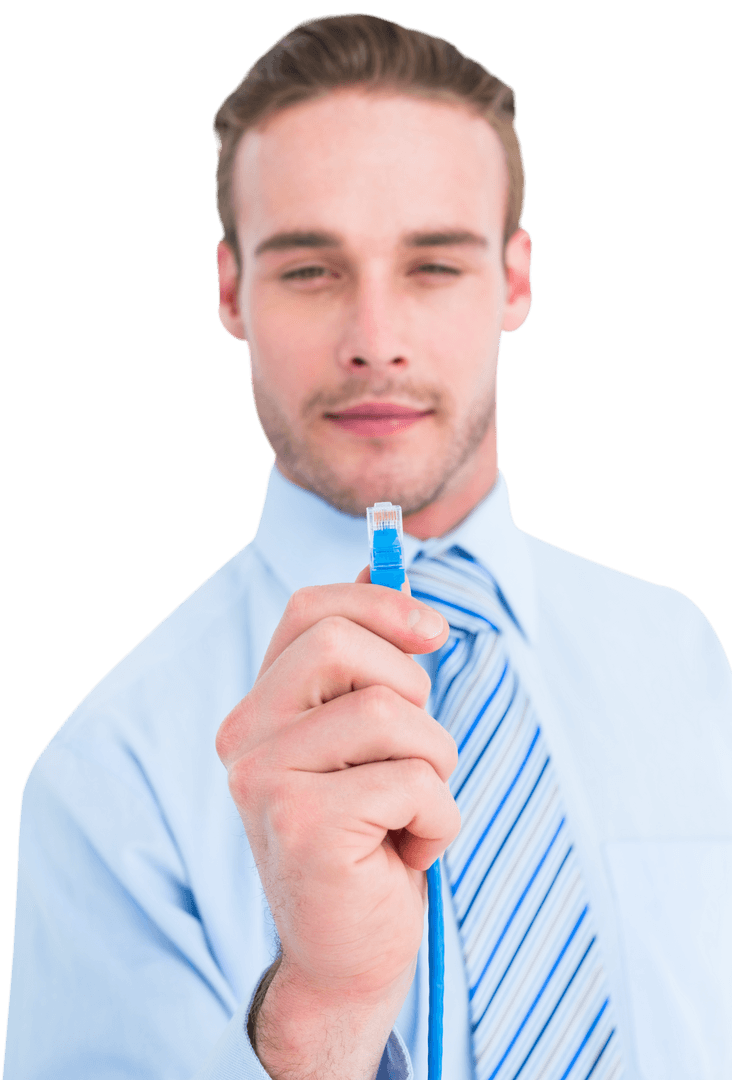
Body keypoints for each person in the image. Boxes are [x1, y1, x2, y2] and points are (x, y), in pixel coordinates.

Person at [4, 12, 732, 1080]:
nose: (375, 336)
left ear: (516, 282)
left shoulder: (681, 656)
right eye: (310, 270)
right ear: (228, 291)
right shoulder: (107, 775)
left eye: (433, 265)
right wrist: (322, 1011)